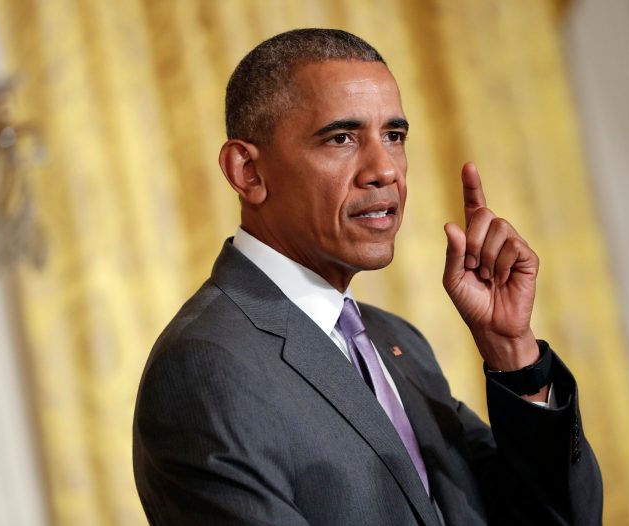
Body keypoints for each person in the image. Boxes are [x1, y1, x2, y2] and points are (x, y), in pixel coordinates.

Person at [133, 28, 602, 525]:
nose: (384, 170)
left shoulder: (398, 343)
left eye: (394, 137)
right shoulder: (206, 365)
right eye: (341, 138)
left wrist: (513, 353)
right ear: (248, 172)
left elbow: (560, 518)